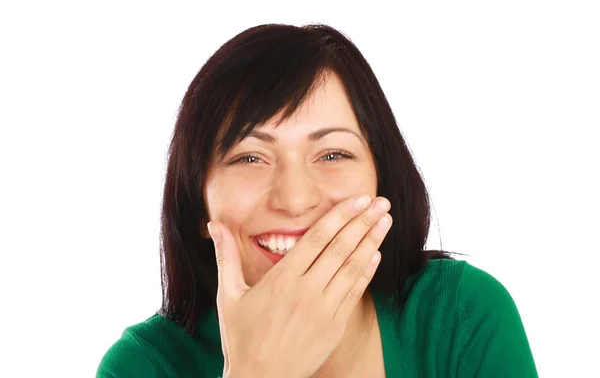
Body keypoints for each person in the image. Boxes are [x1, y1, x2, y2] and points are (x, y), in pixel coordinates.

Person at [96, 23, 538, 377]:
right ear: (197, 205)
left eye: (332, 154)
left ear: (383, 184)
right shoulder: (142, 368)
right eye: (250, 157)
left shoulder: (464, 318)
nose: (294, 199)